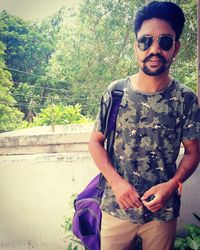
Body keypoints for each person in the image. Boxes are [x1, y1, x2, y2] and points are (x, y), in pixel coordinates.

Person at [88, 1, 200, 250]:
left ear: (176, 48)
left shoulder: (185, 98)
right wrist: (117, 183)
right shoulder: (115, 92)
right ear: (136, 46)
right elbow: (95, 142)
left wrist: (172, 184)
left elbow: (193, 152)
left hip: (162, 214)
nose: (154, 49)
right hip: (116, 210)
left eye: (165, 41)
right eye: (145, 41)